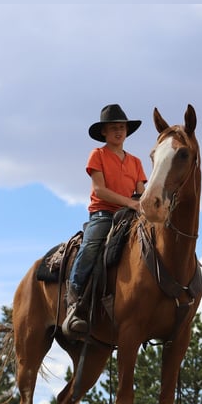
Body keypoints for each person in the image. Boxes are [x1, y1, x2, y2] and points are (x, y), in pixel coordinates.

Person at [62, 104, 147, 336]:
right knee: (91, 246)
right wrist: (130, 202)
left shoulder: (136, 162)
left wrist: (139, 203)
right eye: (113, 128)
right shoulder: (97, 155)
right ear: (104, 133)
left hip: (130, 215)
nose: (119, 132)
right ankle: (74, 295)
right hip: (104, 213)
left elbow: (140, 192)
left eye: (122, 128)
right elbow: (99, 190)